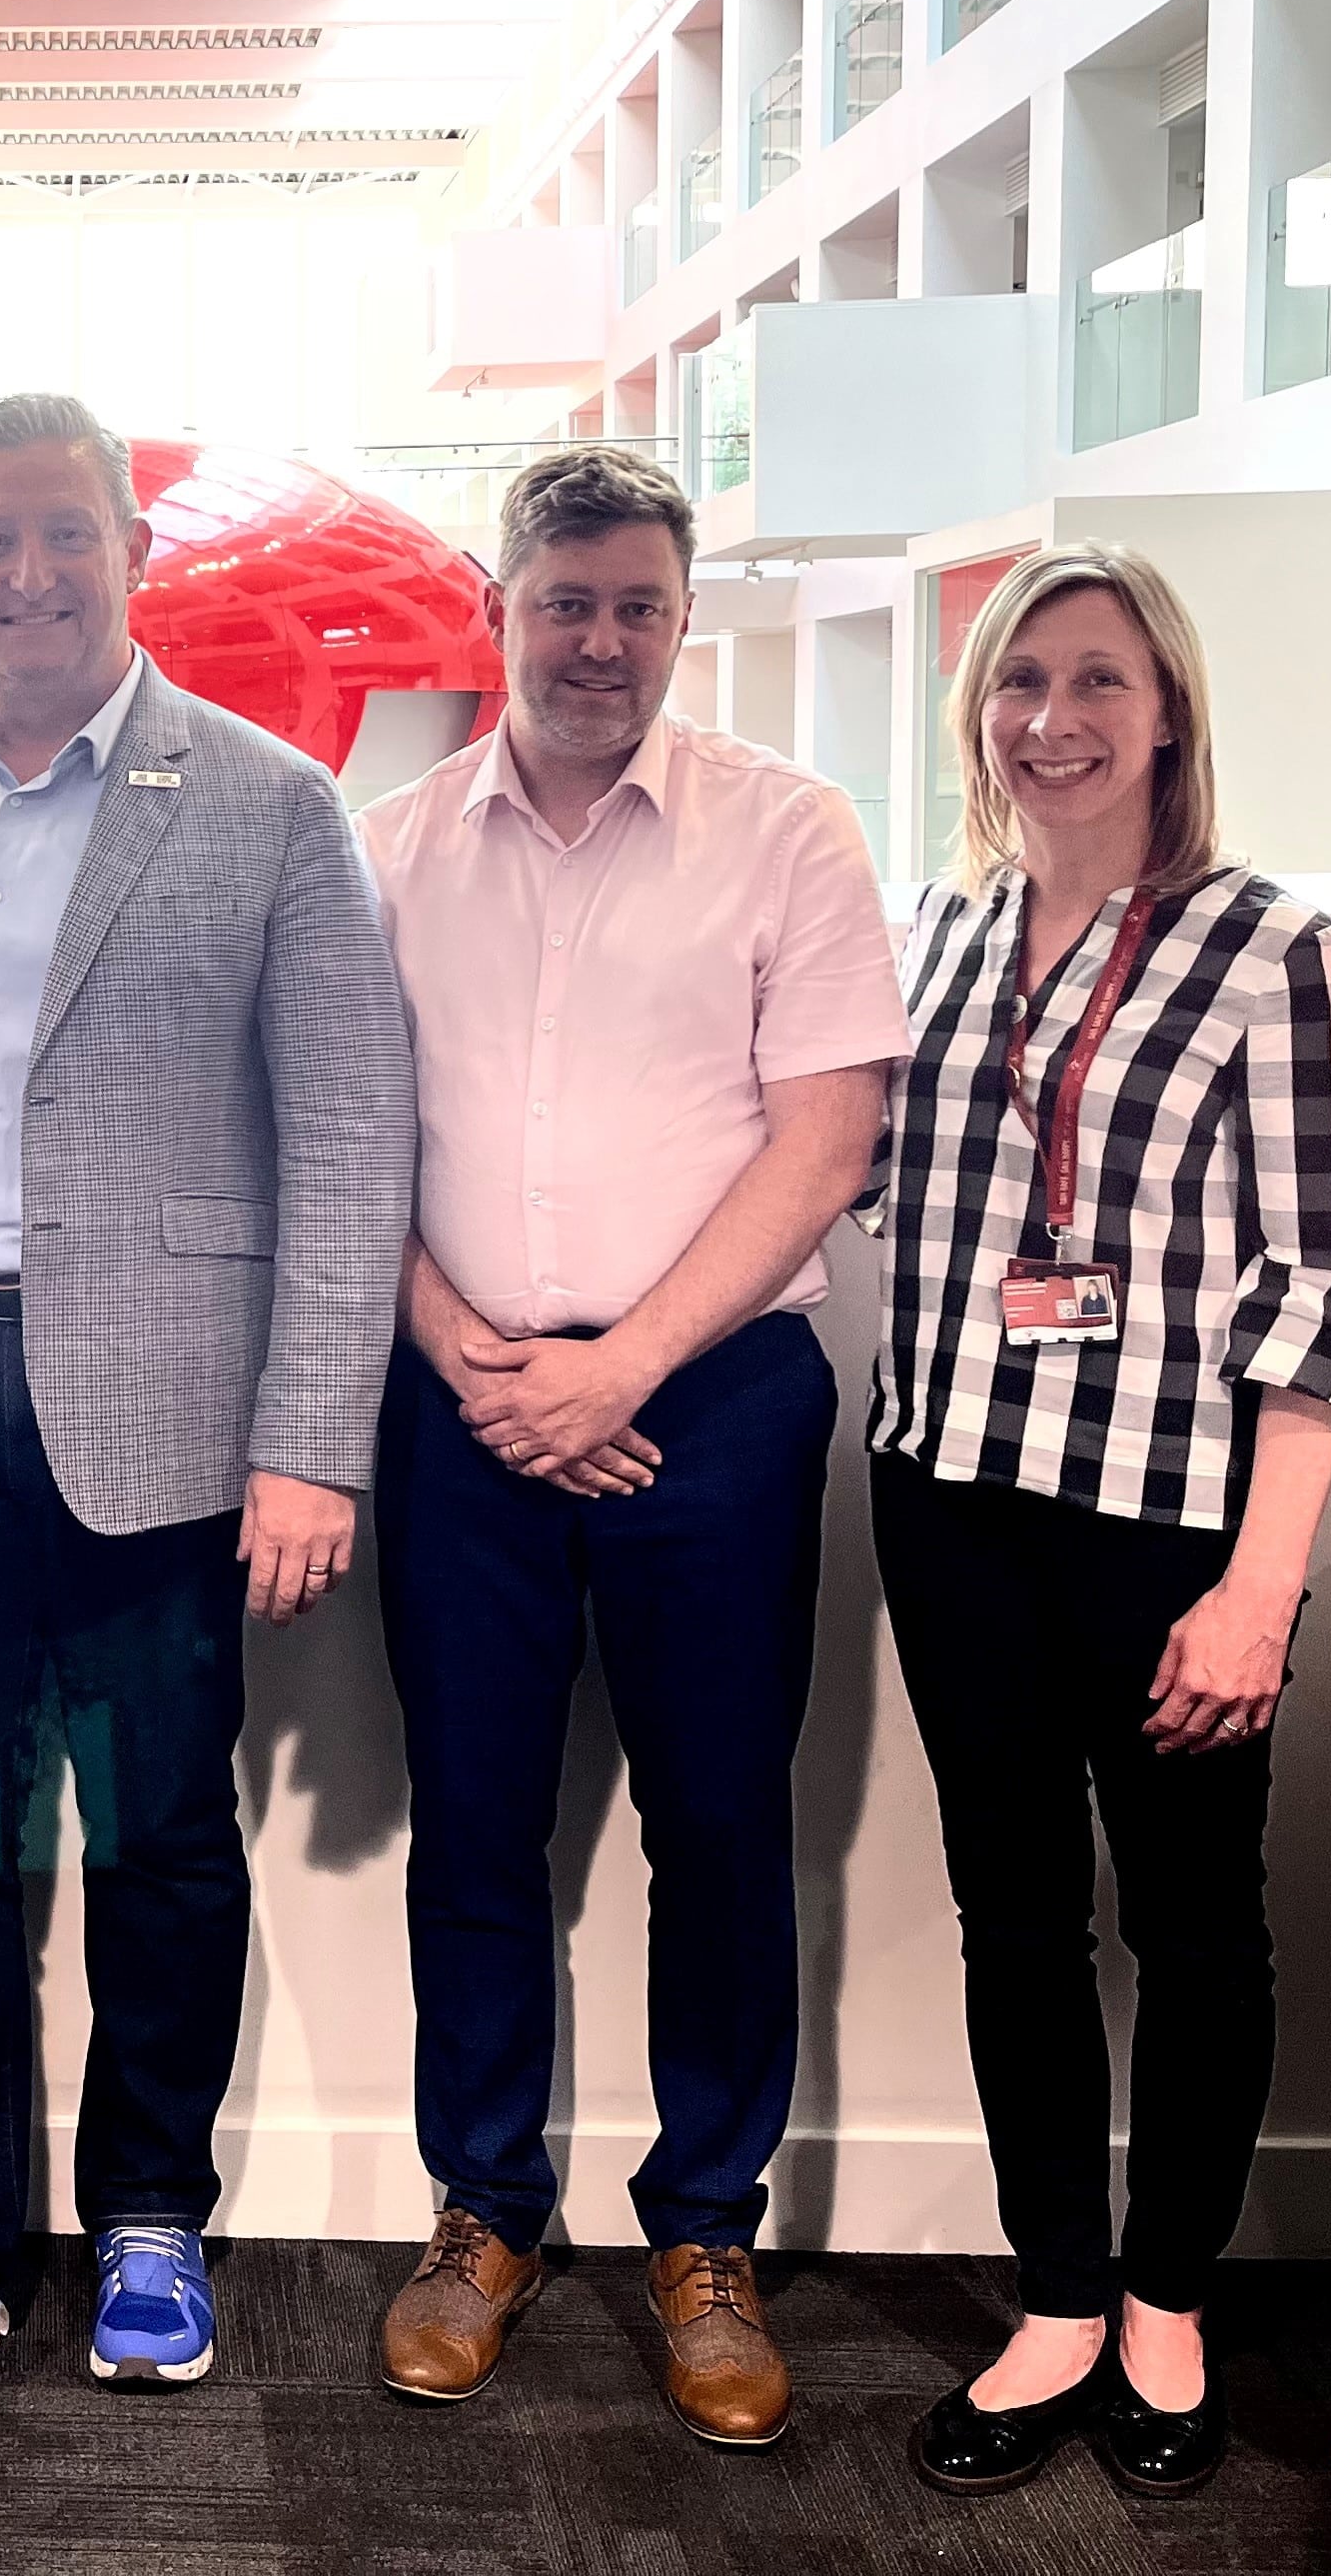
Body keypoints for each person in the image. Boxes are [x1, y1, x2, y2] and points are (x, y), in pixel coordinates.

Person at [0, 392, 415, 2463]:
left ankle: (152, 2216)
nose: (30, 576)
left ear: (133, 552)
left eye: (67, 536)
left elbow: (347, 1137)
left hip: (166, 1415)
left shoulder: (264, 804)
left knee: (156, 1837)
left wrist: (313, 1438)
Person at [357, 440, 901, 2452]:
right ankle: (486, 2209)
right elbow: (350, 1141)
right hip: (458, 1398)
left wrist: (624, 1370)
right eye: (564, 600)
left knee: (719, 1827)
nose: (599, 641)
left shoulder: (789, 833)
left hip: (719, 1408)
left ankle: (704, 2231)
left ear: (683, 619)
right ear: (501, 609)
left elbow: (825, 1136)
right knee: (476, 1829)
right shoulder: (395, 847)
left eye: (637, 607)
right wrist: (477, 1353)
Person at [863, 547, 1331, 2500]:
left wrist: (1264, 1589)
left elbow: (1327, 1296)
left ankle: (1171, 2295)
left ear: (1169, 709)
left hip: (1168, 1527)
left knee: (1192, 1925)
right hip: (946, 1500)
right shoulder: (938, 929)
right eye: (1017, 682)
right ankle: (1061, 2294)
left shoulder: (1280, 952)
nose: (1052, 721)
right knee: (1015, 1915)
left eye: (1096, 680)